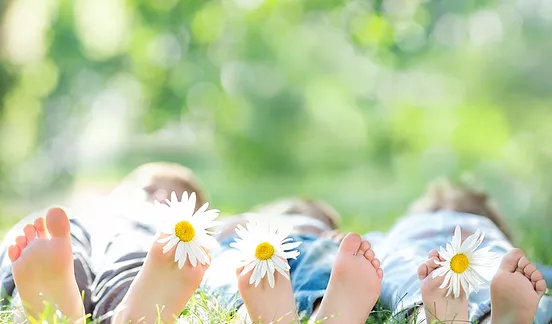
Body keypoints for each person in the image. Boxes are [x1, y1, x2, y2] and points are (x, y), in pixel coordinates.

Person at [0, 162, 384, 324]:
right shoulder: (91, 208)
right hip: (70, 231)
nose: (152, 195)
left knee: (135, 262)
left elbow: (228, 230)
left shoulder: (165, 230)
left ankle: (130, 314)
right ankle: (49, 302)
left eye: (168, 195)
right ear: (118, 190)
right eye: (146, 186)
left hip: (146, 242)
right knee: (47, 253)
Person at [371, 180, 552, 323]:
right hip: (484, 246)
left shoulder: (402, 229)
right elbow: (535, 273)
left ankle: (429, 317)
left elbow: (365, 249)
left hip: (411, 247)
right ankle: (497, 318)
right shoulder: (484, 226)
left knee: (410, 280)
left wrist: (342, 243)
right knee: (498, 276)